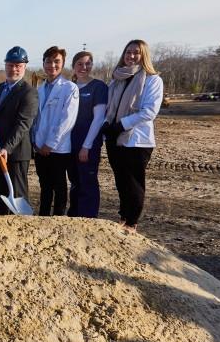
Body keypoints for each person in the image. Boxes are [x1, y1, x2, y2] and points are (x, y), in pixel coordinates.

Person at [102, 39, 164, 232]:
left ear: (143, 55)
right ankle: (123, 215)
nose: (131, 56)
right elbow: (109, 106)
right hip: (115, 138)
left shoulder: (152, 79)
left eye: (136, 53)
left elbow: (149, 111)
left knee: (134, 182)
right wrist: (107, 125)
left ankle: (132, 221)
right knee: (120, 181)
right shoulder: (118, 79)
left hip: (136, 140)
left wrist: (122, 125)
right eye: (128, 52)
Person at [0, 47, 38, 215]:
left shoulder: (29, 93)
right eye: (10, 65)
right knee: (0, 194)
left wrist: (7, 148)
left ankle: (20, 231)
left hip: (16, 153)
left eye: (18, 66)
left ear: (24, 67)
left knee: (17, 194)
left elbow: (23, 125)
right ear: (5, 65)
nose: (13, 69)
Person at [32, 46, 79, 216]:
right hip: (40, 147)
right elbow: (36, 119)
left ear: (63, 63)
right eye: (49, 61)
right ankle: (43, 216)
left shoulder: (70, 88)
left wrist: (50, 144)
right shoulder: (39, 89)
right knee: (45, 185)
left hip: (58, 148)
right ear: (44, 64)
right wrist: (36, 142)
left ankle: (59, 218)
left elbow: (67, 120)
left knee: (59, 185)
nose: (52, 65)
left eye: (56, 61)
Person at [67, 51, 108, 218]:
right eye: (80, 64)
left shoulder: (98, 87)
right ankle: (74, 216)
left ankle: (88, 218)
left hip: (88, 144)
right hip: (70, 143)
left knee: (87, 182)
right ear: (73, 66)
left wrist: (86, 146)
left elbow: (98, 119)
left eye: (88, 64)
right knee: (75, 182)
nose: (84, 67)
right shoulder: (71, 87)